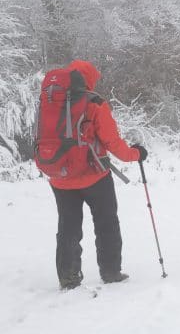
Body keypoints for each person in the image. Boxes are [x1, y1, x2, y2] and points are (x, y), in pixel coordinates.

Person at [49, 60, 148, 290]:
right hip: (94, 176)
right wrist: (137, 154)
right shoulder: (95, 103)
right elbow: (113, 143)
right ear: (89, 79)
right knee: (106, 223)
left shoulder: (52, 101)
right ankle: (111, 271)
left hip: (60, 176)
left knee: (68, 227)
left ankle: (68, 277)